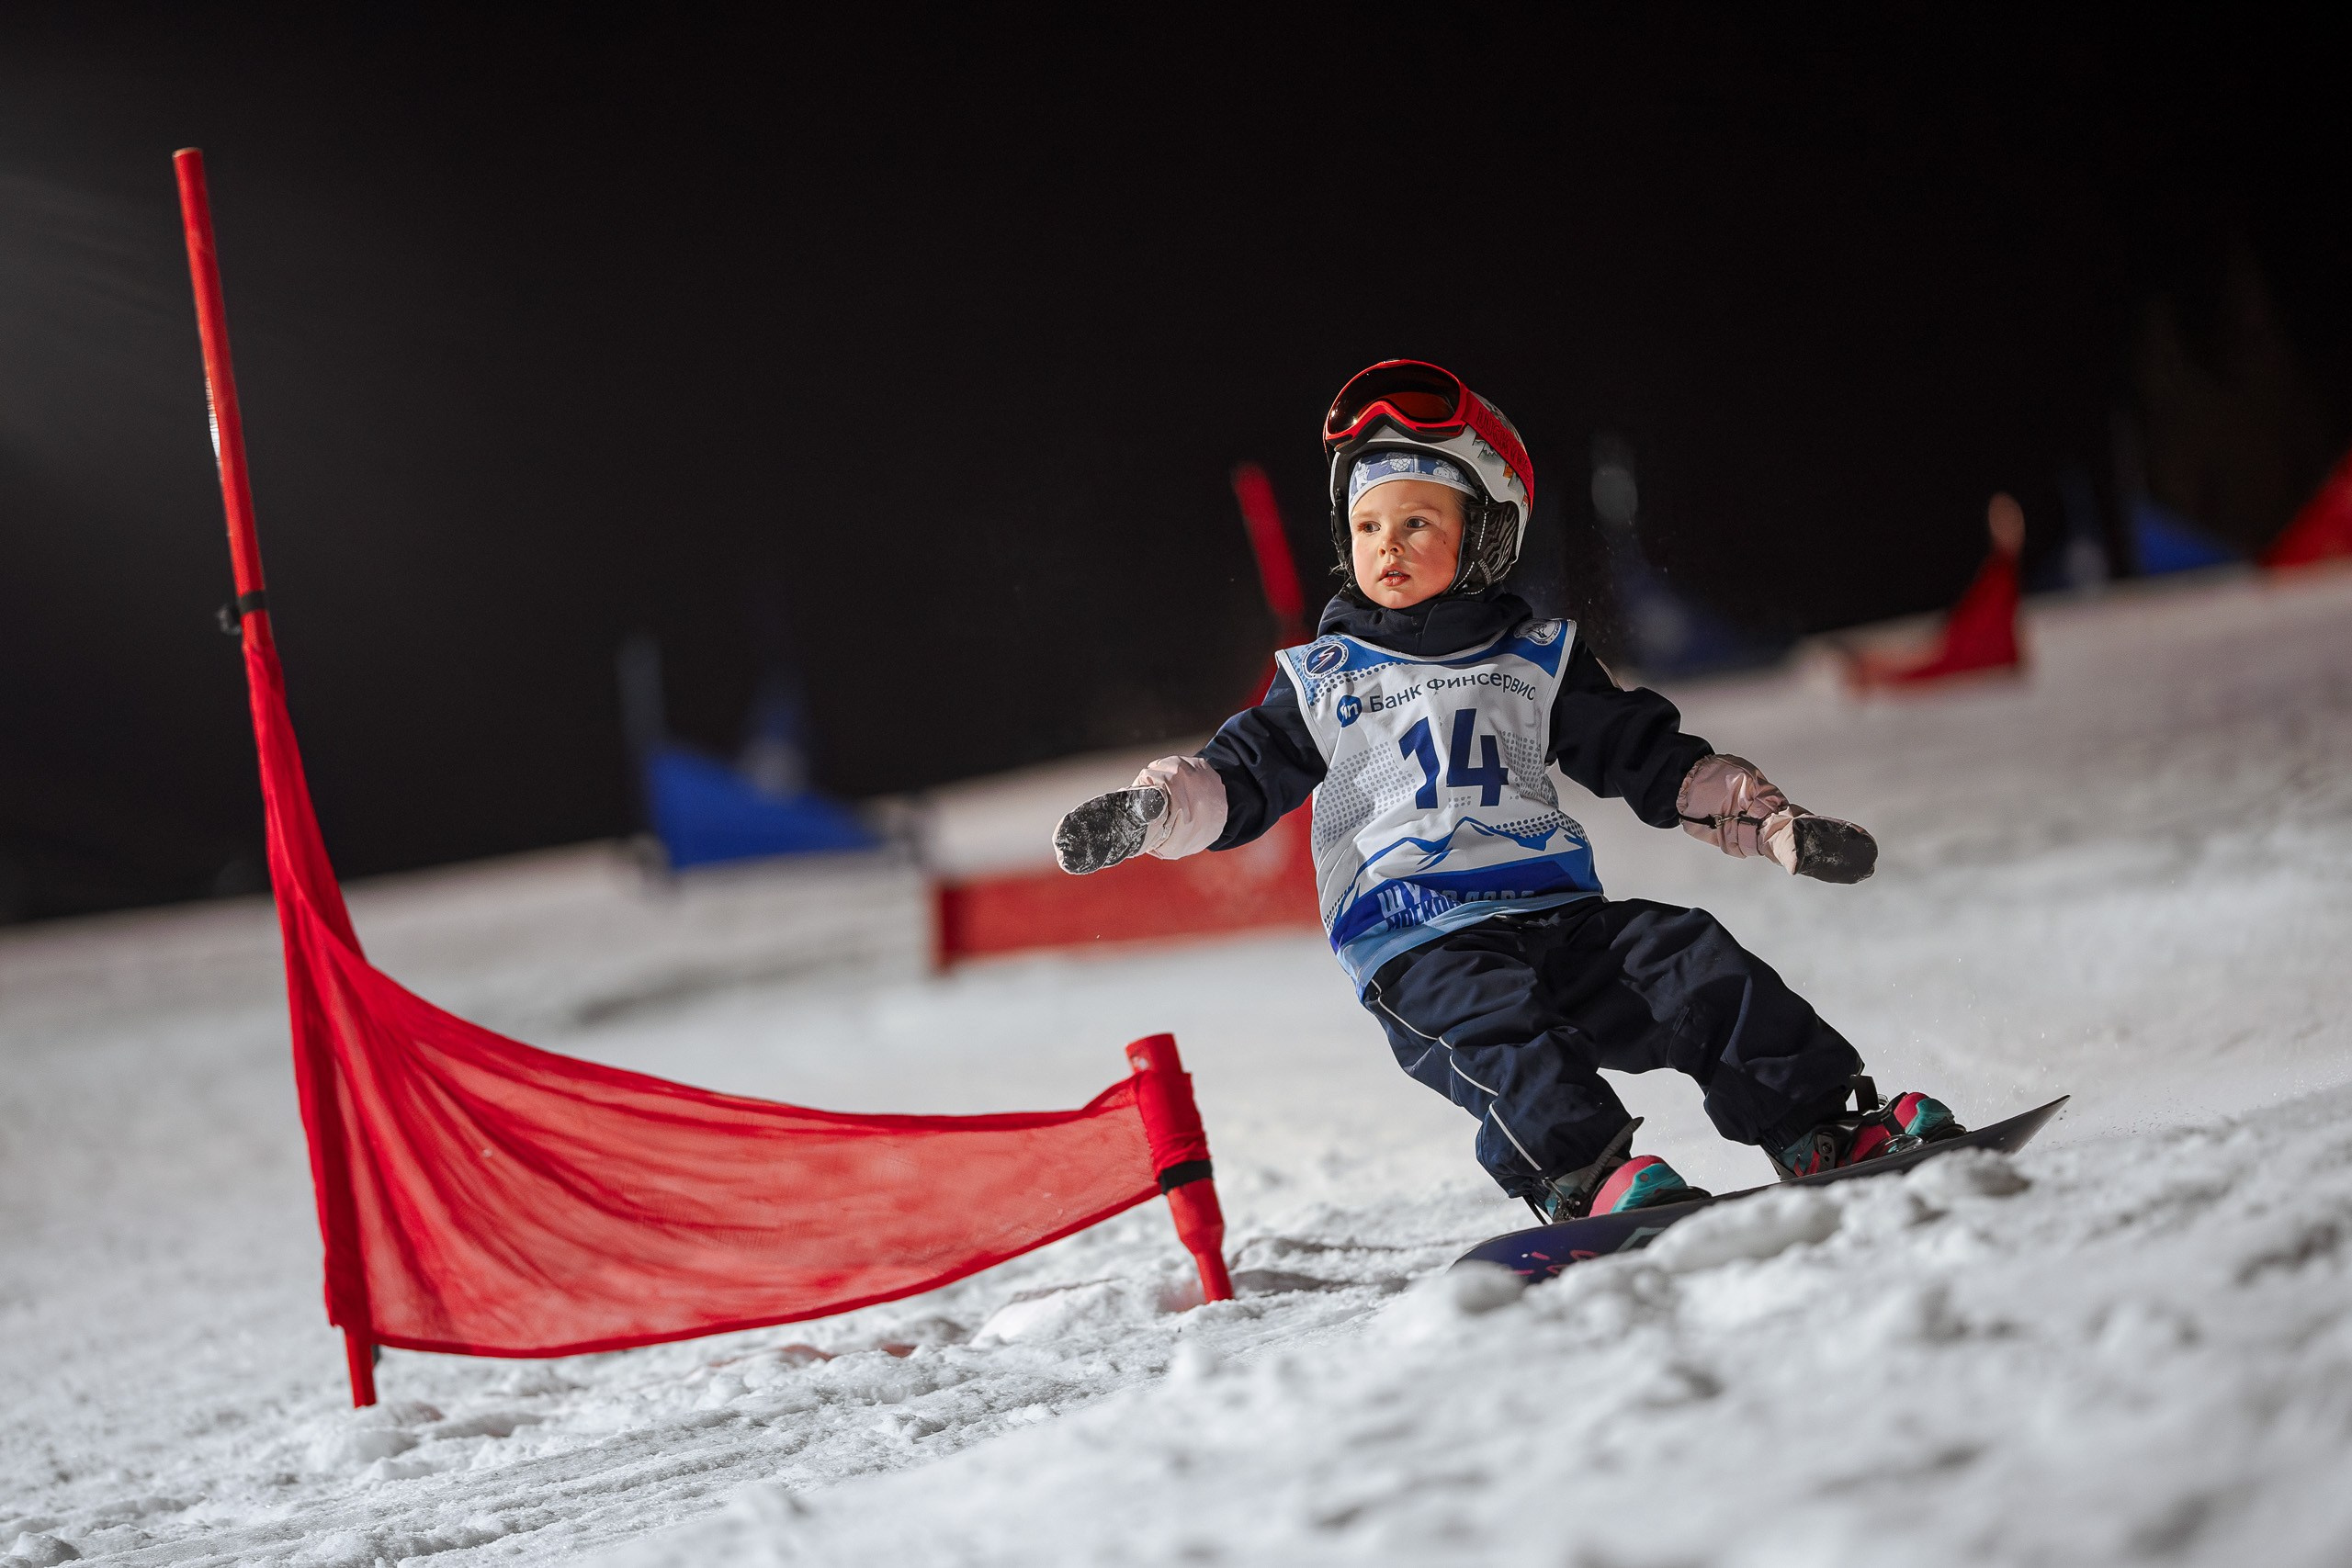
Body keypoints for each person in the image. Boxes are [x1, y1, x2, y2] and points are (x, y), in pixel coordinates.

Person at [1053, 361, 1964, 1222]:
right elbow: (1240, 777)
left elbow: (1648, 758)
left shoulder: (1537, 661)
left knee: (1690, 958)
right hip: (1417, 933)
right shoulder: (1325, 676)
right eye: (1368, 527)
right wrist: (1154, 809)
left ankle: (1817, 1127)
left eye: (1417, 522)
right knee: (1508, 1035)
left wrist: (1766, 823)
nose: (1387, 546)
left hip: (1557, 916)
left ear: (1486, 532)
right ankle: (1584, 1175)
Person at [1846, 493, 2025, 688]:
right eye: (2002, 522)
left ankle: (1868, 667)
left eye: (2013, 521)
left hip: (1974, 652)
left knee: (1917, 664)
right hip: (1968, 648)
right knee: (1915, 660)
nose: (2009, 528)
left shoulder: (2001, 571)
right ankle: (1866, 665)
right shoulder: (1997, 570)